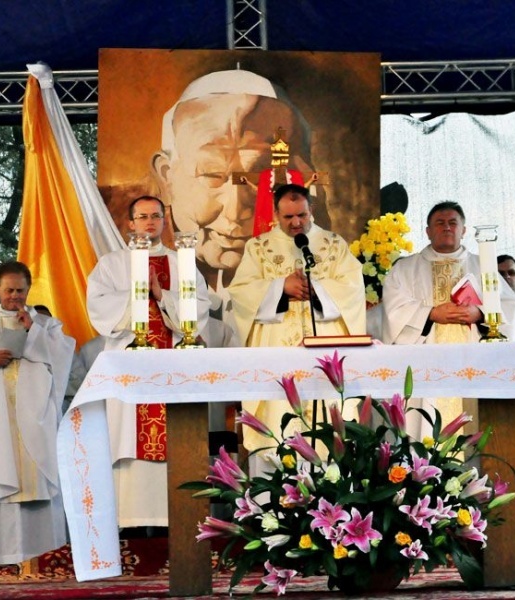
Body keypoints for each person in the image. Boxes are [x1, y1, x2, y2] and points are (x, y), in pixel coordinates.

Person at [151, 69, 328, 347]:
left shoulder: (316, 255)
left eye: (259, 177)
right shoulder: (147, 265)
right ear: (166, 178)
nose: (235, 212)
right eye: (211, 175)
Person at [86, 195, 210, 528]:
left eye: (156, 215)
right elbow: (98, 309)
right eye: (142, 217)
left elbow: (198, 311)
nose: (150, 222)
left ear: (165, 221)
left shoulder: (181, 262)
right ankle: (128, 523)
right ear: (130, 223)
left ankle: (178, 522)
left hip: (172, 368)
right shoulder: (112, 264)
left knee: (176, 439)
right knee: (129, 437)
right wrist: (137, 295)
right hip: (129, 369)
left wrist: (162, 296)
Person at [228, 183, 365, 474]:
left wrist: (316, 290)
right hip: (277, 353)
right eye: (288, 217)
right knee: (280, 421)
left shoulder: (333, 244)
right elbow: (240, 293)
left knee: (328, 423)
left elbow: (353, 289)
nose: (296, 223)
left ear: (310, 210)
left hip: (324, 352)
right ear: (276, 213)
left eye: (301, 215)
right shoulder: (259, 247)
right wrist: (280, 287)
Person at [0, 261, 74, 564]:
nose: (15, 297)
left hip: (35, 417)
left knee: (38, 476)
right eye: (9, 291)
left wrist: (33, 332)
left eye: (20, 290)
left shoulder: (46, 324)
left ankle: (46, 553)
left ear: (28, 289)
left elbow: (63, 359)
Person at [381, 201, 515, 440]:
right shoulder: (405, 269)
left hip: (473, 363)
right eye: (440, 223)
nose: (447, 228)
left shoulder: (484, 267)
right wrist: (431, 313)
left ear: (463, 230)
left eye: (453, 223)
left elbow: (508, 305)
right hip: (425, 364)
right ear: (427, 230)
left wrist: (480, 313)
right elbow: (393, 308)